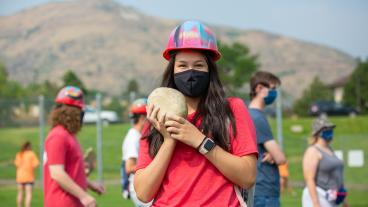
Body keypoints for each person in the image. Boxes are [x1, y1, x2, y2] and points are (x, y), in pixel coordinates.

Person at [134, 20, 258, 207]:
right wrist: (169, 141)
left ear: (210, 70)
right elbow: (143, 193)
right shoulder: (155, 117)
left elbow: (248, 177)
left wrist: (200, 141)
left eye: (199, 65)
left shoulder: (231, 109)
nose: (190, 72)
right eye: (182, 65)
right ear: (172, 70)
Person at [43, 86, 105, 207]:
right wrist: (84, 196)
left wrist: (91, 185)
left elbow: (71, 174)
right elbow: (57, 173)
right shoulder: (58, 136)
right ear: (73, 113)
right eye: (80, 112)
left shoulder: (68, 136)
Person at [248, 71, 287, 207]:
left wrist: (273, 153)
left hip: (257, 189)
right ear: (259, 88)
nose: (274, 93)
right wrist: (275, 154)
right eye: (273, 89)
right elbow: (281, 158)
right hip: (264, 191)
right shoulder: (257, 118)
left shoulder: (247, 114)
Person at [302, 117, 348, 207]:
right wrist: (316, 204)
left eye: (331, 129)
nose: (330, 131)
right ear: (318, 132)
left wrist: (345, 201)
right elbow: (309, 179)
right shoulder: (312, 151)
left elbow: (338, 178)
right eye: (326, 129)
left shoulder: (330, 150)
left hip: (332, 198)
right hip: (319, 196)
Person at [121, 98, 151, 206]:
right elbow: (129, 167)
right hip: (139, 189)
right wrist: (153, 166)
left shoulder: (139, 136)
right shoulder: (133, 138)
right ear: (143, 118)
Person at [14, 141, 39, 207]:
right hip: (29, 177)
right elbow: (36, 164)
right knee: (28, 194)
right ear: (29, 146)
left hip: (20, 177)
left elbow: (16, 164)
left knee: (20, 193)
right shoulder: (31, 154)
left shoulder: (19, 154)